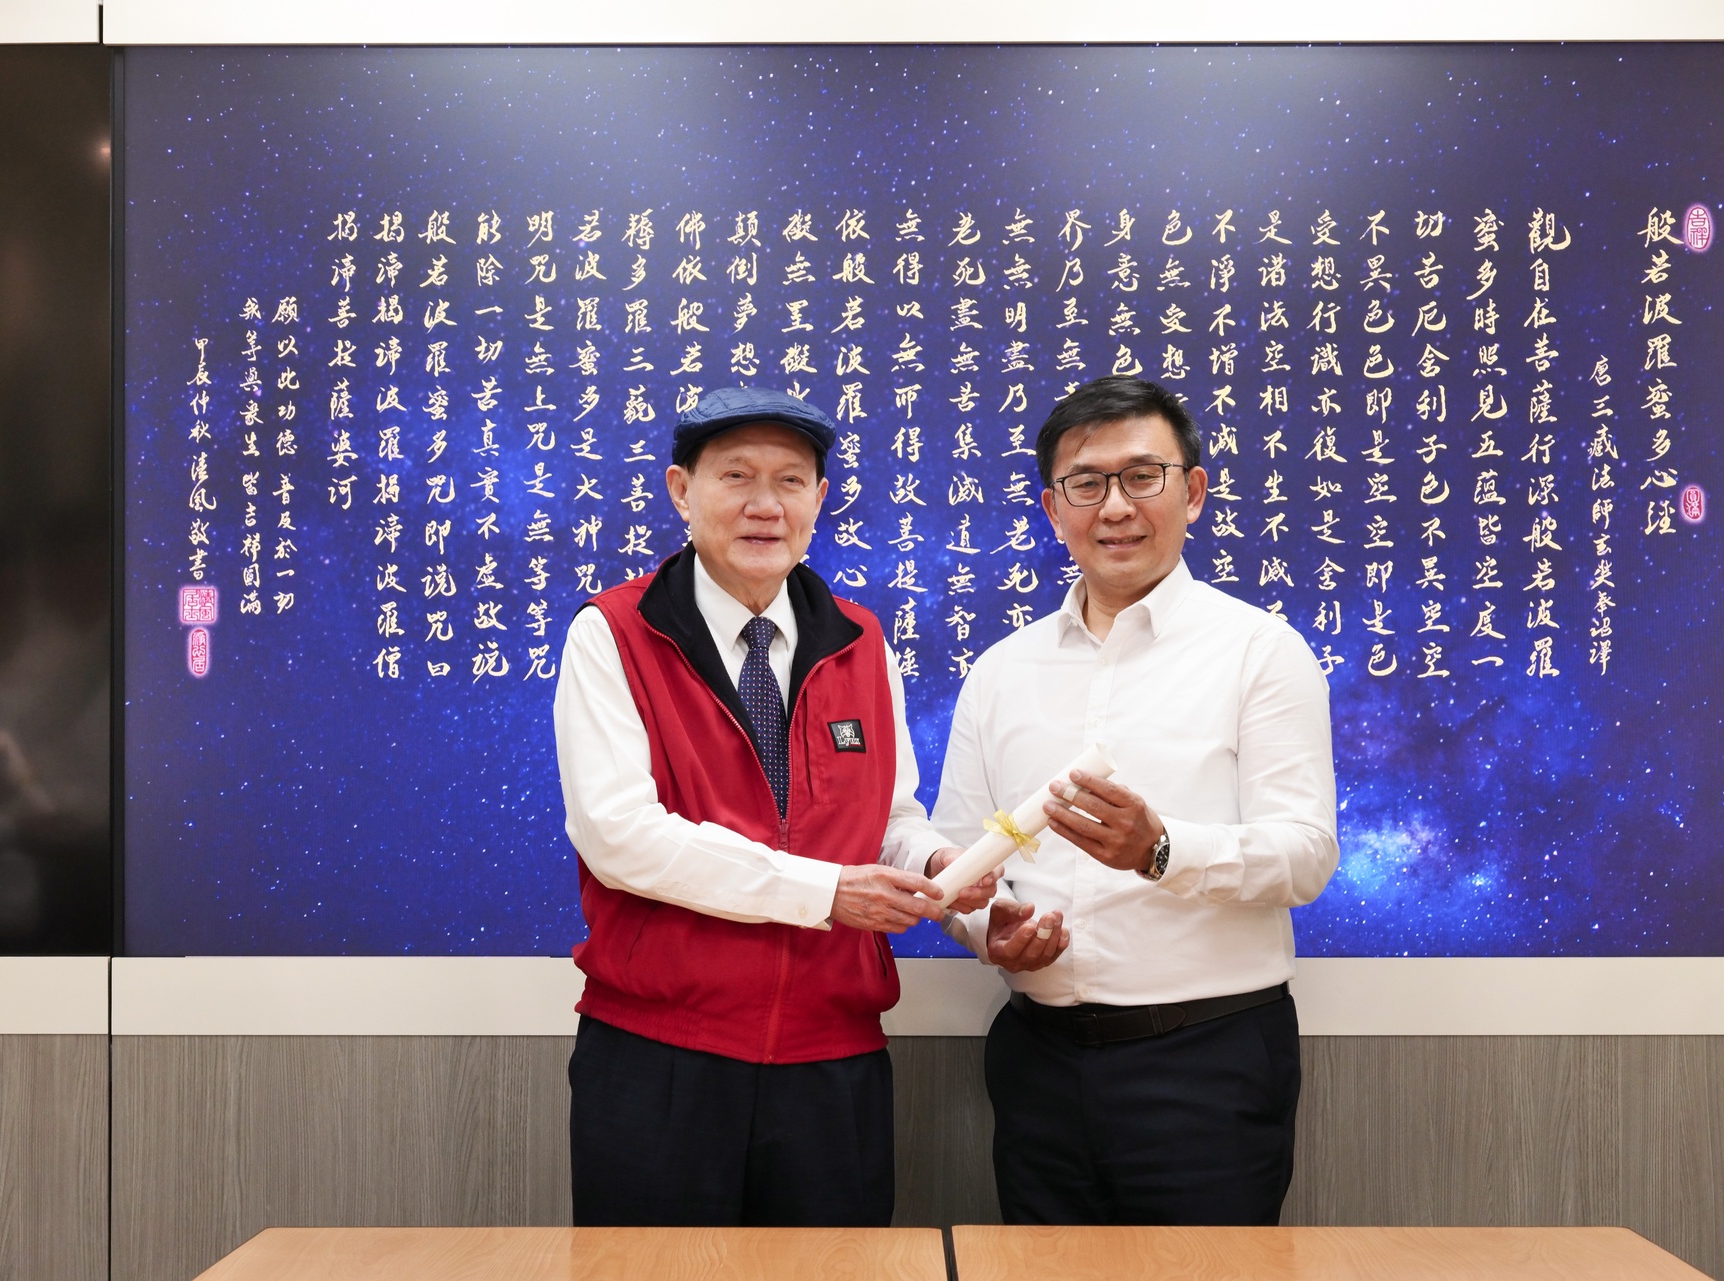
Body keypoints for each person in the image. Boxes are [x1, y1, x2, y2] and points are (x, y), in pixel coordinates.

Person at [554, 386, 992, 1227]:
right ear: (681, 490)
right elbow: (620, 837)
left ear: (819, 499)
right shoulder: (613, 632)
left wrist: (934, 862)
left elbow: (890, 818)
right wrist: (825, 891)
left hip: (834, 1061)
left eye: (791, 480)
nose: (765, 504)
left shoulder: (863, 640)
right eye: (736, 476)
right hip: (661, 1059)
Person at [933, 375, 1339, 1226]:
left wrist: (1161, 851)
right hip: (1037, 1060)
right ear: (1054, 509)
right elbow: (960, 858)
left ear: (1193, 491)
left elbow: (1305, 854)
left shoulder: (1260, 651)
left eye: (1142, 476)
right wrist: (988, 929)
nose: (1115, 506)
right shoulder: (1000, 671)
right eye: (1087, 483)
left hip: (1208, 1063)